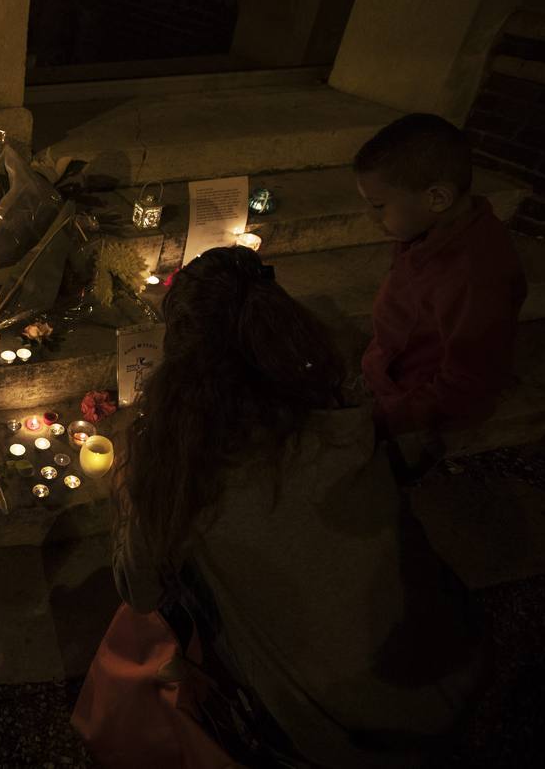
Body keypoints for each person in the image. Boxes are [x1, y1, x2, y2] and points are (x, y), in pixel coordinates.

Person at [108, 246, 488, 768]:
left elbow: (140, 590)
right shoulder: (344, 426)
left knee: (179, 578)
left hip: (334, 736)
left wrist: (135, 491)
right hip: (450, 674)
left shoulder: (183, 471)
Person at [354, 114, 526, 474]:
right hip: (392, 369)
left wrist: (390, 418)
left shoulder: (475, 276)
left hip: (415, 401)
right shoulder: (427, 230)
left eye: (378, 206)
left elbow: (469, 379)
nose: (370, 218)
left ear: (437, 197)